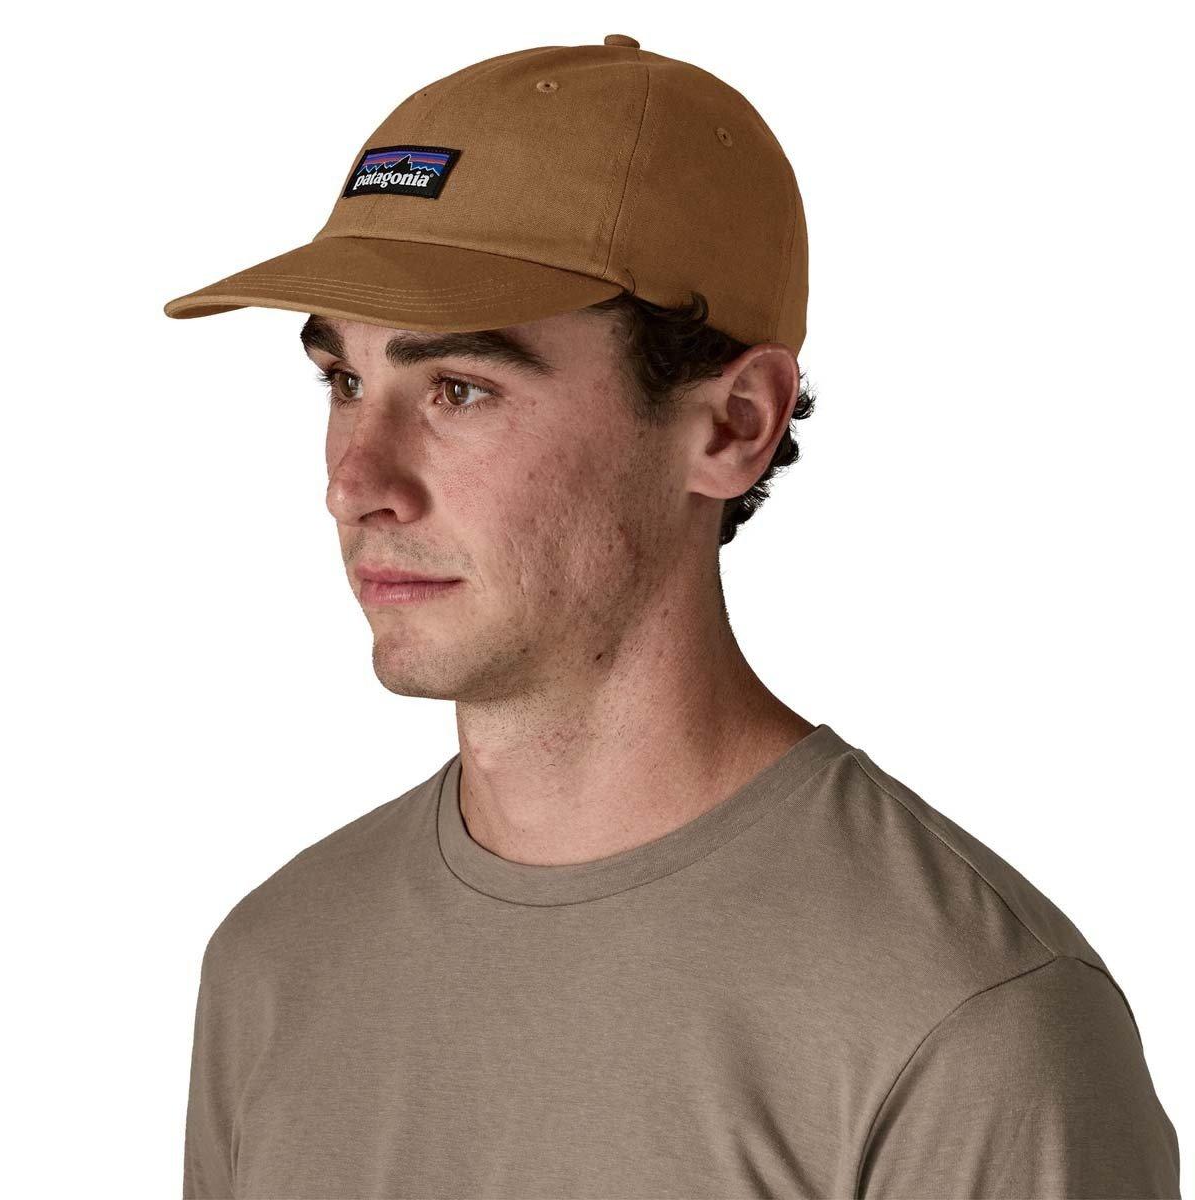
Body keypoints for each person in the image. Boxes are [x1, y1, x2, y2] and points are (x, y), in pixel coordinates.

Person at [164, 32, 1181, 1200]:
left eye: (458, 388)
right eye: (344, 381)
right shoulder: (275, 966)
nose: (356, 482)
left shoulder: (963, 1026)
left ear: (732, 425)